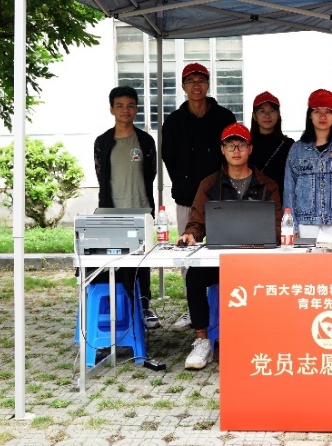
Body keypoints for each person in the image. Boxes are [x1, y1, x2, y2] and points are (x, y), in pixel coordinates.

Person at [175, 123, 282, 369]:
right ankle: (202, 341)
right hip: (220, 261)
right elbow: (197, 222)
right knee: (194, 277)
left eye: (241, 145)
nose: (236, 150)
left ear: (250, 148)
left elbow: (278, 226)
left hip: (257, 262)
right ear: (222, 149)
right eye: (230, 145)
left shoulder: (268, 185)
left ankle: (268, 336)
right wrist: (191, 234)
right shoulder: (209, 184)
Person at [162, 63, 235, 331]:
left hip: (222, 198)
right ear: (183, 86)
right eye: (191, 81)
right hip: (186, 198)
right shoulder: (174, 121)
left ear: (208, 84)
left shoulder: (224, 116)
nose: (196, 85)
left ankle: (226, 303)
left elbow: (232, 154)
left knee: (223, 253)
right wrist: (183, 182)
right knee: (188, 253)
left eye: (201, 80)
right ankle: (191, 309)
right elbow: (168, 156)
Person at [93, 86, 161, 328]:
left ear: (136, 109)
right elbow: (101, 175)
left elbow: (151, 173)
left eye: (130, 105)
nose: (125, 110)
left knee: (142, 261)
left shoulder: (145, 140)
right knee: (116, 261)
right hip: (112, 212)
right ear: (111, 109)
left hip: (141, 209)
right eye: (120, 106)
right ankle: (120, 308)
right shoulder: (103, 142)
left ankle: (144, 305)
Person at [284, 89, 332, 238]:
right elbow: (289, 191)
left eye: (328, 111)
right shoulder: (297, 149)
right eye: (317, 111)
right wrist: (292, 227)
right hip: (305, 223)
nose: (323, 116)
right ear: (310, 115)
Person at [249, 91, 293, 197]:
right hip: (252, 201)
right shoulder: (245, 144)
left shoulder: (289, 145)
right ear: (254, 116)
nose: (267, 116)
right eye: (262, 111)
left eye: (272, 111)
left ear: (278, 115)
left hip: (281, 200)